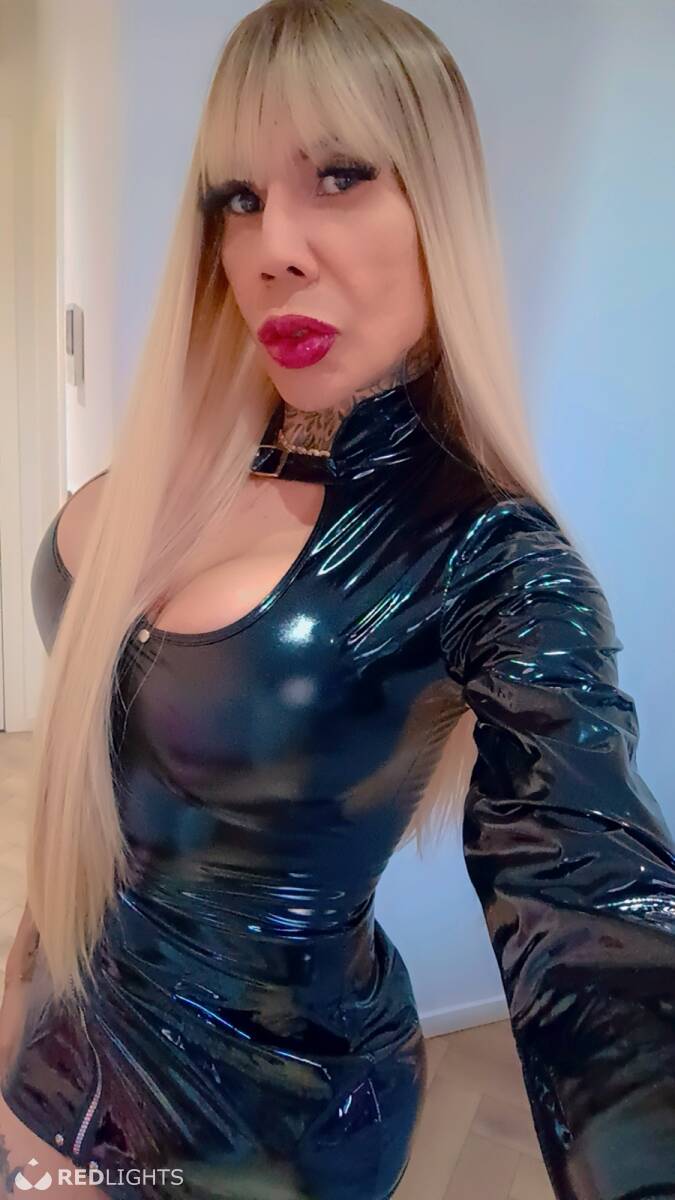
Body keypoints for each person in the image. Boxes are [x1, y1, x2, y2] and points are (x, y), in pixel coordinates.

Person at [1, 1, 674, 1197]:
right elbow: (86, 799)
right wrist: (16, 1008)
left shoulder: (490, 556)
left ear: (438, 206)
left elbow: (592, 909)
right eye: (238, 197)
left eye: (343, 176)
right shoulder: (177, 468)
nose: (274, 247)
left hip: (269, 1135)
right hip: (51, 1068)